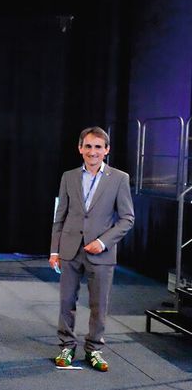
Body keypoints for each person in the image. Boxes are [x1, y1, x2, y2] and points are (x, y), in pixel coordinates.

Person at [50, 126, 134, 371]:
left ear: (106, 150)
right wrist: (54, 250)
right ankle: (66, 345)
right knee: (66, 301)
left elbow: (127, 218)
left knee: (99, 304)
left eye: (98, 147)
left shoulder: (120, 178)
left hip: (102, 253)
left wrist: (103, 241)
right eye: (88, 146)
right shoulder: (68, 176)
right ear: (80, 149)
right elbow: (60, 216)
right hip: (70, 249)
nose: (93, 151)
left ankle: (94, 349)